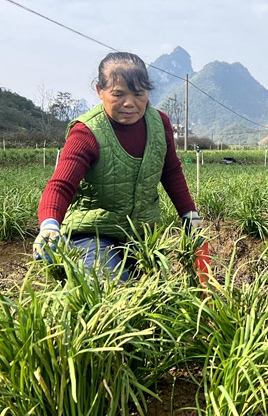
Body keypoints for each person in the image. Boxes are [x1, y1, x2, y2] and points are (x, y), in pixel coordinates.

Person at [33, 52, 202, 281]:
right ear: (99, 91)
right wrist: (50, 225)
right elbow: (61, 184)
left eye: (138, 94)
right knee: (111, 287)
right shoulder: (87, 132)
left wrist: (189, 213)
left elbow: (170, 170)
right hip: (93, 233)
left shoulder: (159, 123)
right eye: (118, 94)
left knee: (157, 297)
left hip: (142, 234)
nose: (129, 103)